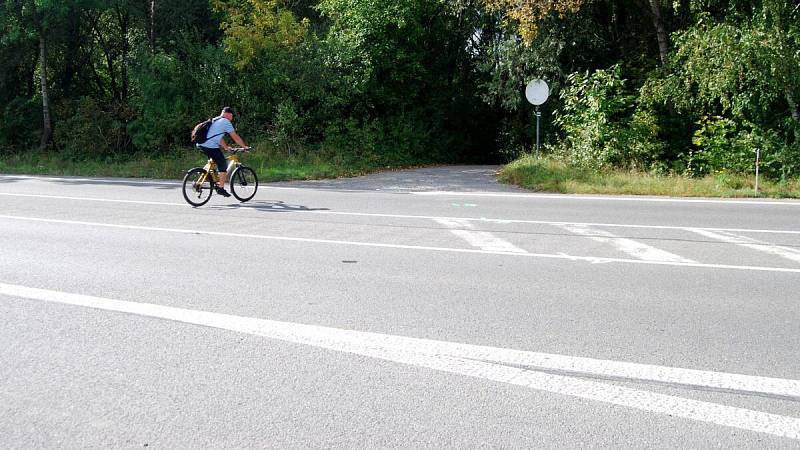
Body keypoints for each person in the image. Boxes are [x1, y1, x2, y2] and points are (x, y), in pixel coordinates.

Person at [196, 106, 249, 197]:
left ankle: (205, 174)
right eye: (232, 116)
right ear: (229, 114)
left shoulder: (215, 120)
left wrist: (226, 147)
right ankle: (221, 188)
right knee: (223, 164)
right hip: (210, 146)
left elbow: (217, 137)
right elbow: (235, 136)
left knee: (213, 162)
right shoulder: (226, 122)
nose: (232, 118)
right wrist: (244, 147)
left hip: (200, 144)